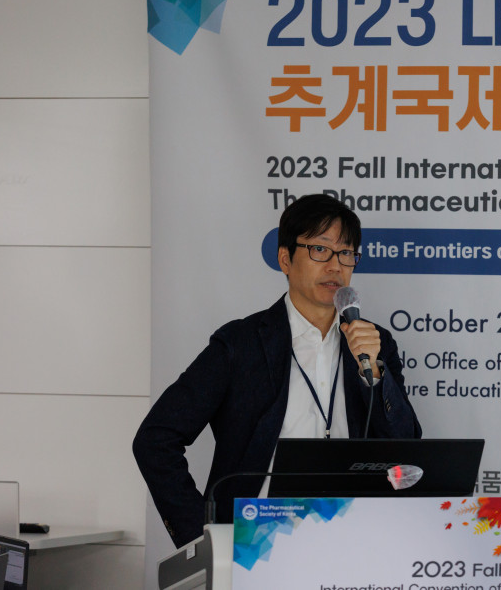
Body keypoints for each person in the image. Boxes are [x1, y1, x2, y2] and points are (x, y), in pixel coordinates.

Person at [133, 194, 422, 547]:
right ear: (285, 259)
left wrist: (373, 372)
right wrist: (200, 536)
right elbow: (155, 439)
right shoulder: (240, 344)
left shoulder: (374, 343)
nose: (335, 266)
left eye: (346, 253)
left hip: (353, 537)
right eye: (320, 249)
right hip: (257, 543)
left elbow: (407, 450)